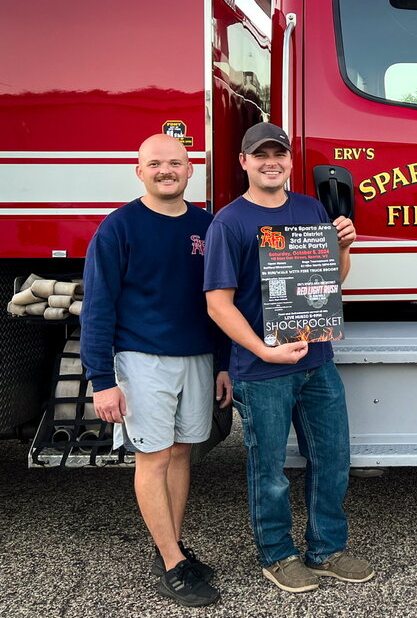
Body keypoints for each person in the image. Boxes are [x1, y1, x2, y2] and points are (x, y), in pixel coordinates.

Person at [204, 122, 375, 594]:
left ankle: (326, 549)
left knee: (333, 458)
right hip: (262, 370)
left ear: (290, 161)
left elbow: (332, 281)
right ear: (244, 163)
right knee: (269, 469)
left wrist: (342, 247)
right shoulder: (229, 222)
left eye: (278, 153)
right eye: (260, 155)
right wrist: (262, 350)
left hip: (317, 360)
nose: (271, 162)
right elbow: (218, 303)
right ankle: (277, 555)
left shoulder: (310, 209)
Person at [81, 134, 223, 608]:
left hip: (198, 358)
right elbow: (98, 307)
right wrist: (102, 380)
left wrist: (222, 364)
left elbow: (221, 301)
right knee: (155, 458)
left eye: (176, 163)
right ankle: (170, 564)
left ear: (190, 171)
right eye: (156, 163)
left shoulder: (207, 225)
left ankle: (174, 551)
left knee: (182, 453)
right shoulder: (118, 228)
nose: (167, 170)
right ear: (138, 171)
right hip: (143, 359)